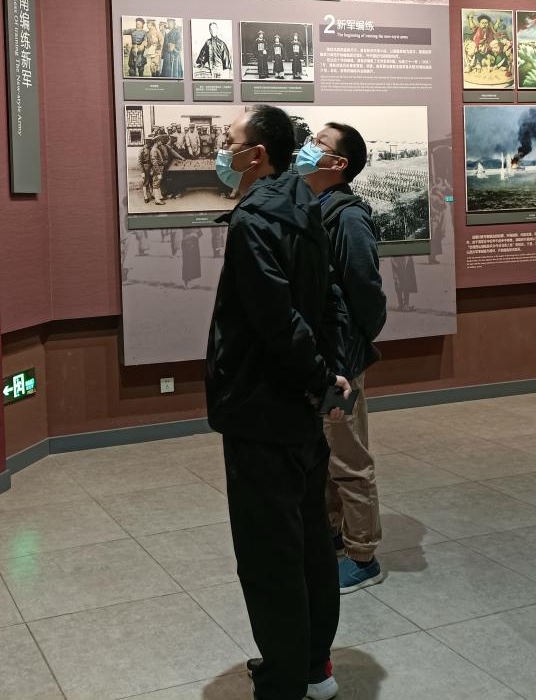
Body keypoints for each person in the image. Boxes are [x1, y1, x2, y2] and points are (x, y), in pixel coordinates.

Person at [206, 104, 349, 700]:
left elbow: (275, 320)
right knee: (311, 538)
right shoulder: (305, 206)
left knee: (269, 552)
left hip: (260, 405)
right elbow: (329, 300)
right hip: (298, 407)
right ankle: (314, 665)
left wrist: (317, 374)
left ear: (256, 154)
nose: (224, 150)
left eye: (230, 141)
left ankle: (284, 680)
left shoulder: (253, 221)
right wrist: (330, 374)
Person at [295, 123, 388, 594]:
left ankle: (362, 554)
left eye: (319, 143)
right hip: (320, 356)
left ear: (338, 164)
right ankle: (335, 532)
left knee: (347, 453)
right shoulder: (315, 207)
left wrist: (355, 341)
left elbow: (365, 289)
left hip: (339, 360)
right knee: (326, 449)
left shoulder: (348, 217)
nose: (308, 147)